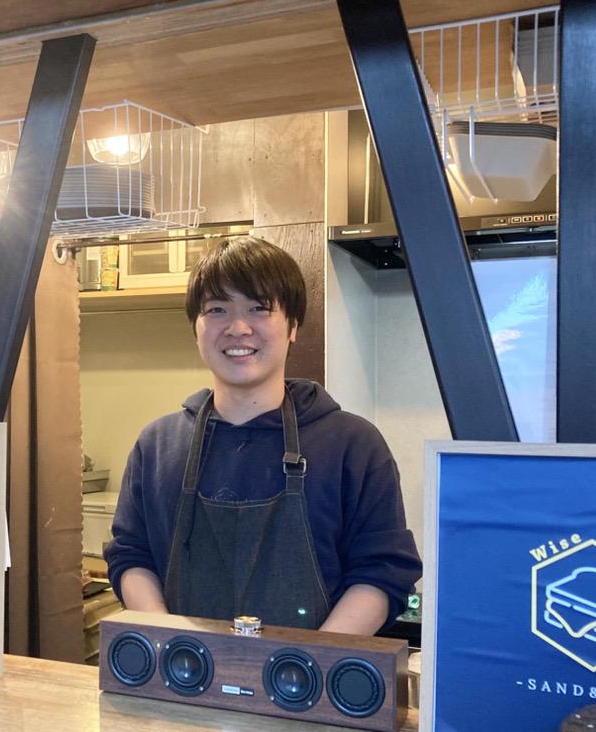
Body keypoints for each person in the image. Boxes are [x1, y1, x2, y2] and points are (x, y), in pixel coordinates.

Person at [103, 237, 421, 635]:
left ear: (292, 326)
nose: (238, 328)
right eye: (217, 310)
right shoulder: (157, 446)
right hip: (180, 667)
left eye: (259, 308)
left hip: (315, 670)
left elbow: (383, 571)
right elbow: (131, 555)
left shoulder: (353, 445)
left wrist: (308, 660)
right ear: (195, 329)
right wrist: (170, 642)